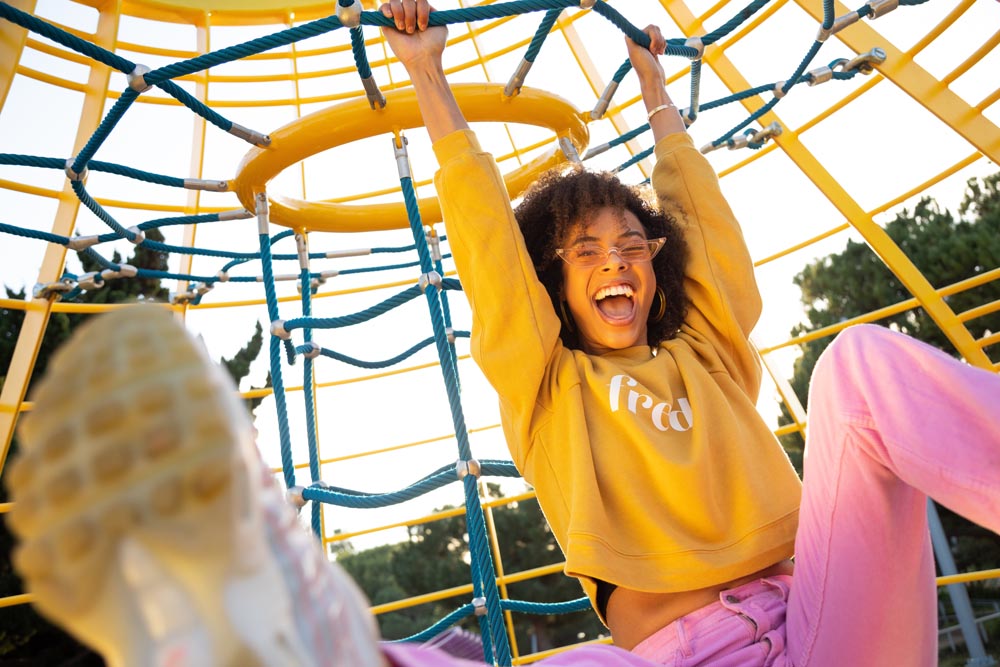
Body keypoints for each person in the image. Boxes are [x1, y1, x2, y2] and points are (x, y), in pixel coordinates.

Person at [4, 3, 998, 667]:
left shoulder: (709, 350)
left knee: (858, 366)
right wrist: (429, 84)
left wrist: (657, 92)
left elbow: (706, 233)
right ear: (552, 288)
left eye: (630, 245)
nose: (615, 261)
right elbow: (490, 254)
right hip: (670, 653)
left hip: (829, 623)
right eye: (584, 253)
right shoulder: (547, 384)